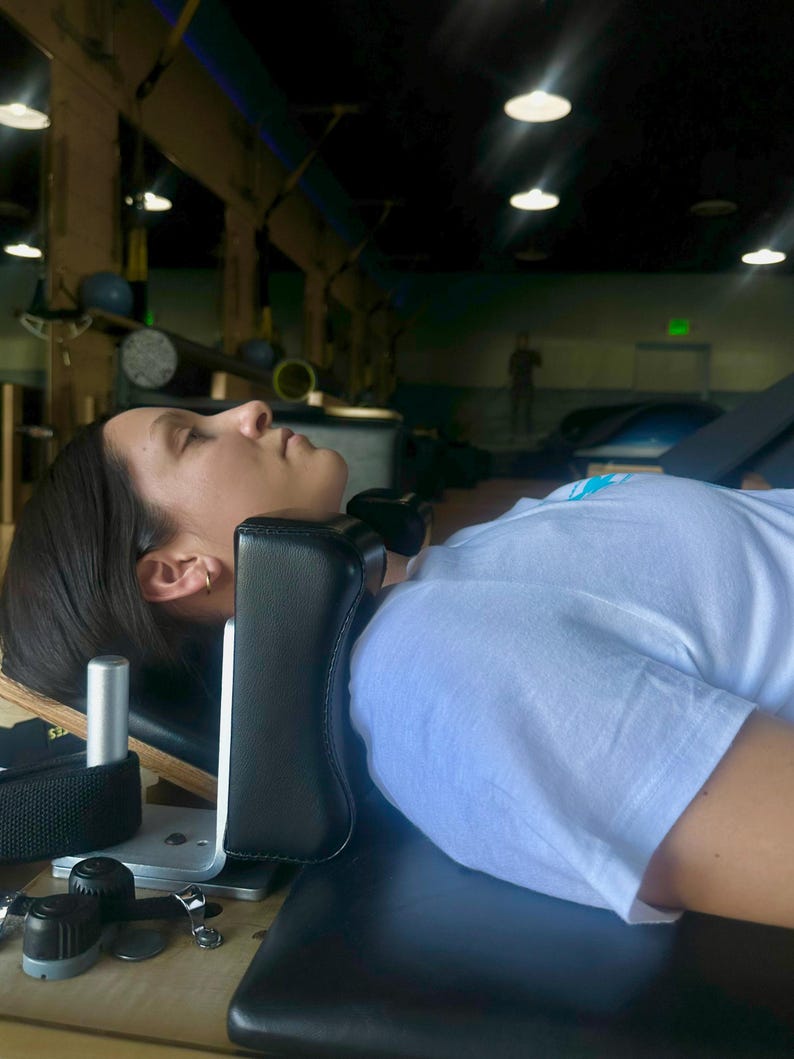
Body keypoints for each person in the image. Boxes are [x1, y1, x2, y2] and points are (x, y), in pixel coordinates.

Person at [3, 401, 794, 931]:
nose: (249, 409)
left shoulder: (448, 580)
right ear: (175, 570)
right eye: (193, 436)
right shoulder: (437, 665)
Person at [508, 331, 542, 436]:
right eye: (521, 341)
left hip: (528, 385)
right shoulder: (514, 355)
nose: (523, 343)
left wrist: (539, 354)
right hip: (516, 385)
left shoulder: (530, 354)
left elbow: (539, 363)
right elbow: (510, 371)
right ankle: (513, 434)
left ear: (527, 342)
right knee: (514, 410)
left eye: (524, 341)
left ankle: (528, 434)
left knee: (528, 411)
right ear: (518, 342)